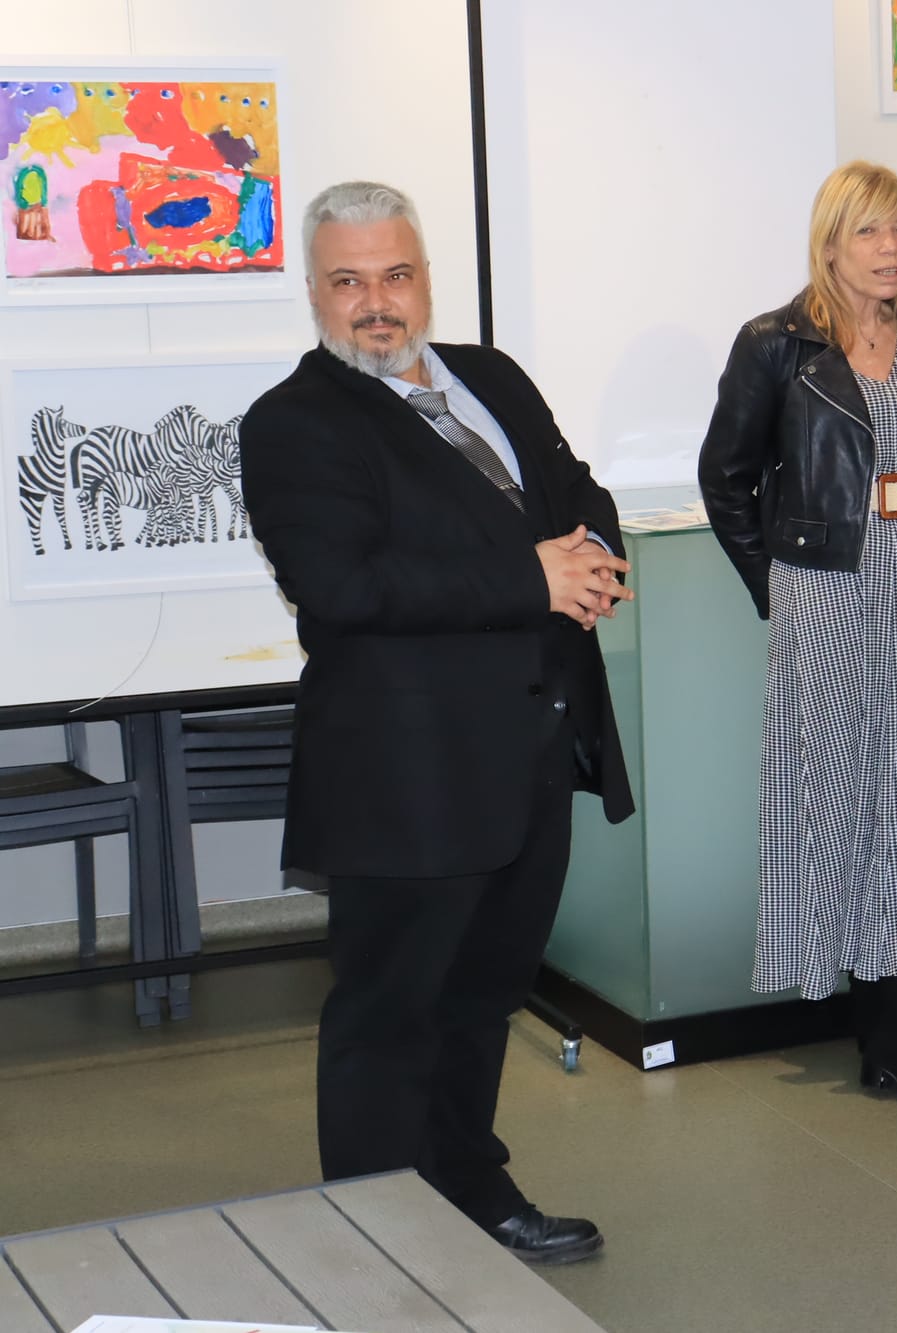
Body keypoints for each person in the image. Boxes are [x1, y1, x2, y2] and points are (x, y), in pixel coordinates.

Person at [240, 180, 635, 1264]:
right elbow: (342, 587)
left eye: (396, 275)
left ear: (425, 277)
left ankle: (469, 1188)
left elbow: (574, 491)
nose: (377, 302)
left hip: (532, 751)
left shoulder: (491, 377)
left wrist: (595, 554)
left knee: (482, 998)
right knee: (389, 1016)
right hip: (403, 775)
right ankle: (374, 1236)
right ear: (314, 291)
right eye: (349, 281)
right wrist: (532, 577)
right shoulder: (292, 423)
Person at [698, 161, 897, 1114]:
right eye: (868, 231)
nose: (889, 249)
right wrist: (780, 588)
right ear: (829, 243)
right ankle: (888, 1035)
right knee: (850, 798)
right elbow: (725, 478)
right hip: (827, 589)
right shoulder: (776, 345)